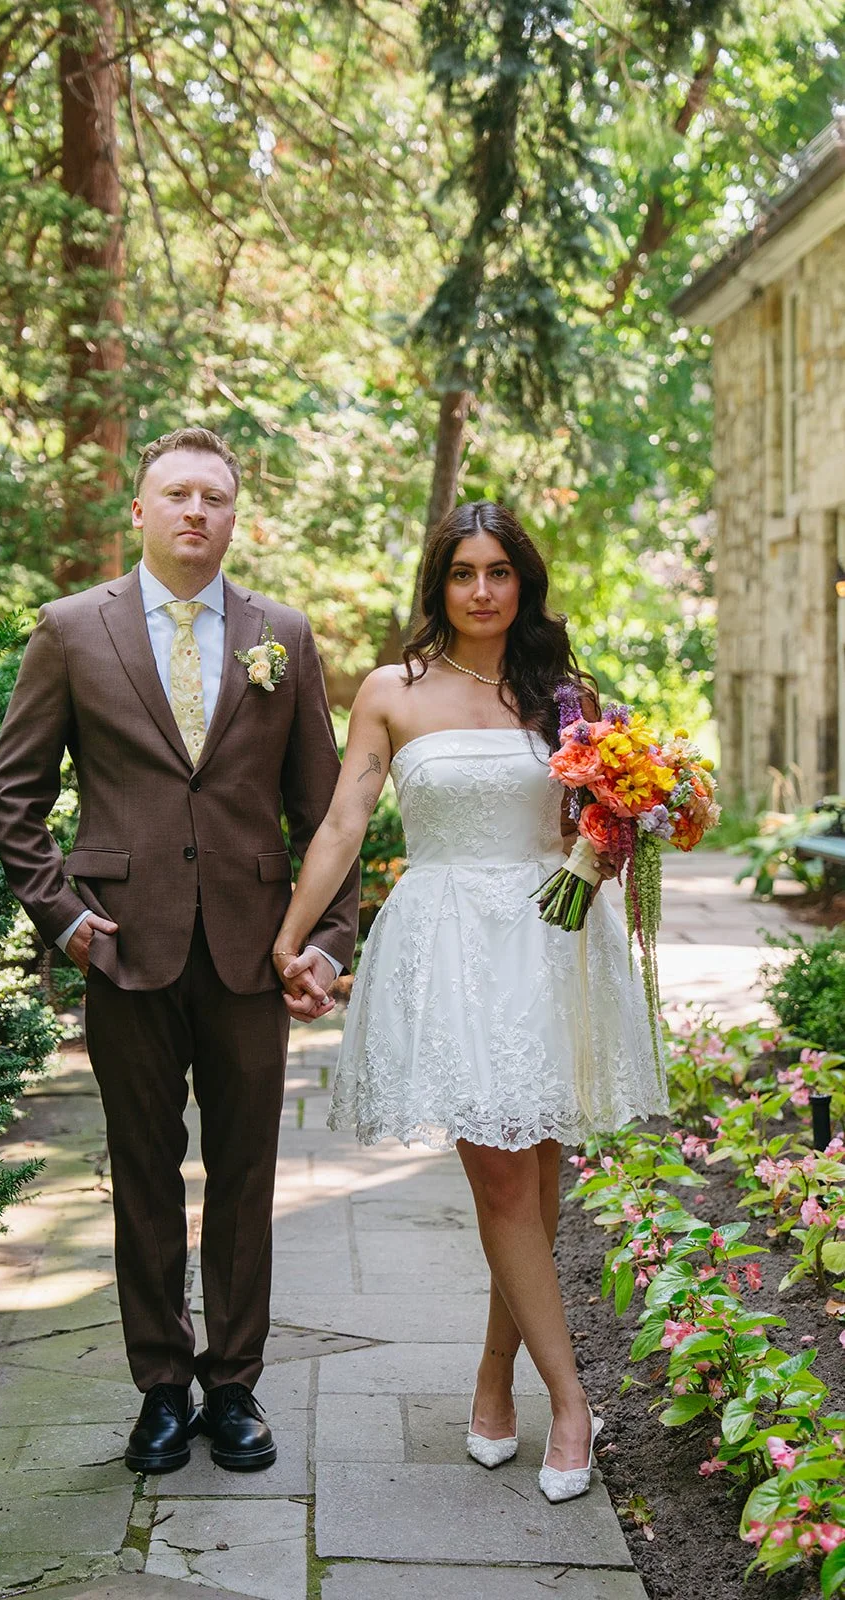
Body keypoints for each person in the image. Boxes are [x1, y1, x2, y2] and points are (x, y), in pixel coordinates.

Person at [273, 500, 667, 1503]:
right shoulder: (389, 692)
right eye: (463, 572)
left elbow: (606, 824)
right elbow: (342, 820)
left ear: (521, 583)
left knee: (532, 1186)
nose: (483, 590)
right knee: (498, 1182)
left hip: (551, 945)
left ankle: (493, 1375)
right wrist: (291, 932)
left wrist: (644, 810)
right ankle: (569, 1399)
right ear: (436, 583)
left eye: (499, 571)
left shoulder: (566, 698)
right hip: (448, 946)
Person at [0, 427, 359, 1475]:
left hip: (251, 951)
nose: (195, 511)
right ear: (139, 512)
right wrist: (61, 916)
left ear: (235, 517)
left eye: (215, 497)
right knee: (143, 1171)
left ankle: (232, 1385)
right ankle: (159, 1383)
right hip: (122, 949)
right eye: (176, 494)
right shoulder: (69, 630)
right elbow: (13, 795)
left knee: (245, 1173)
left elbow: (324, 813)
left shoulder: (280, 633)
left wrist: (327, 942)